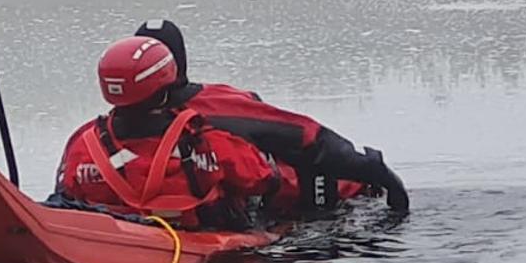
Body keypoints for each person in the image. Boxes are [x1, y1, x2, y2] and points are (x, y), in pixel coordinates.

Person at [132, 19, 410, 212]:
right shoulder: (116, 127)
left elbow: (307, 137)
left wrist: (375, 170)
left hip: (303, 203)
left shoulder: (224, 107)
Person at [55, 36, 292, 230]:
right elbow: (263, 179)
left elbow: (66, 195)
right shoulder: (207, 139)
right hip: (199, 245)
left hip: (107, 243)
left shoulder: (83, 144)